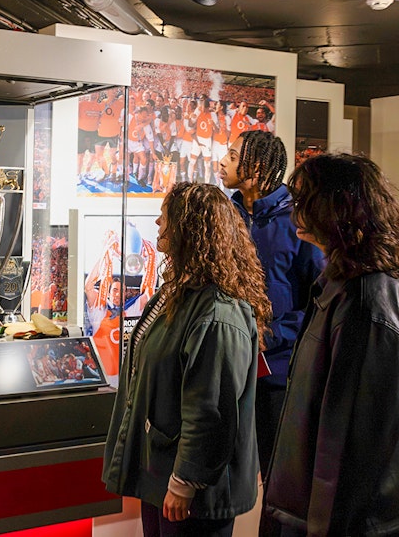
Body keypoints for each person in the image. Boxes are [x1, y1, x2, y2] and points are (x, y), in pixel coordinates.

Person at [262, 153, 399, 537]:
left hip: (340, 521)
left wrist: (325, 525)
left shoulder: (366, 302)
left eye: (302, 200)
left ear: (337, 208)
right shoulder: (339, 287)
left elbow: (352, 440)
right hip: (312, 511)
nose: (292, 210)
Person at [103, 182, 272, 537]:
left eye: (165, 217)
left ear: (187, 227)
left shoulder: (217, 312)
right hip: (163, 470)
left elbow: (210, 409)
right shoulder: (179, 291)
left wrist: (185, 480)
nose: (157, 224)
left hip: (192, 488)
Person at [217, 130, 323, 483]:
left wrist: (274, 333)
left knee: (279, 476)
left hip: (278, 370)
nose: (222, 162)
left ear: (257, 166)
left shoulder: (299, 220)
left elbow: (320, 297)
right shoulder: (225, 215)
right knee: (221, 470)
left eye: (232, 156)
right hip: (227, 367)